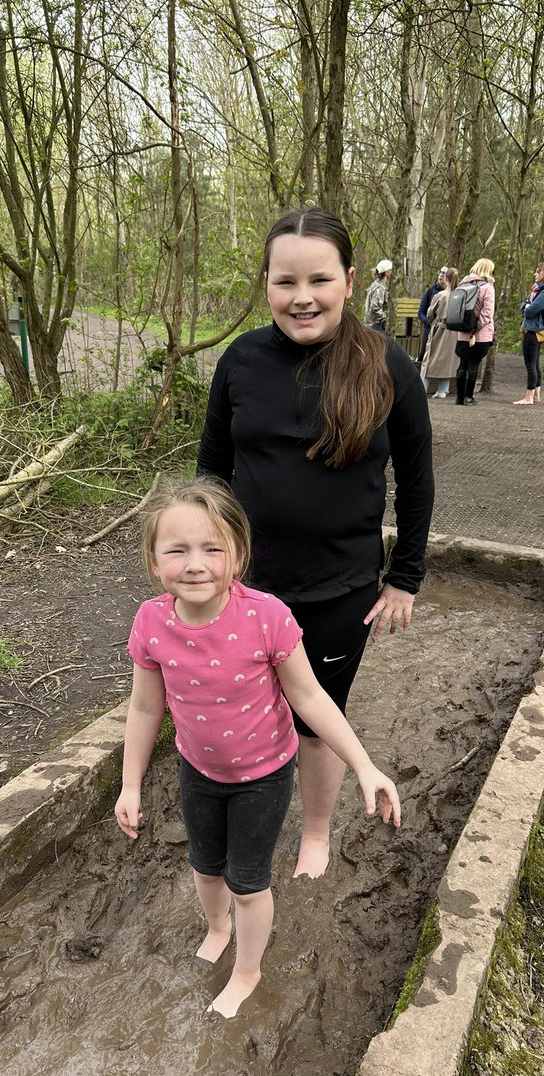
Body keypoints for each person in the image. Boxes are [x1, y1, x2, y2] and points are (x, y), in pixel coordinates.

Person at [197, 206, 434, 880]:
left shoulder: (389, 366)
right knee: (245, 707)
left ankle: (317, 832)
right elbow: (211, 471)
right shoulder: (241, 360)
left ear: (350, 281)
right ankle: (250, 817)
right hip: (245, 587)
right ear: (267, 283)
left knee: (316, 718)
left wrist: (405, 576)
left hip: (339, 590)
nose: (302, 298)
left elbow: (416, 482)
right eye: (285, 282)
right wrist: (205, 562)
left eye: (319, 280)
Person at [114, 479, 401, 1019]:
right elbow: (145, 709)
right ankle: (217, 927)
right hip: (197, 770)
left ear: (239, 556)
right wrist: (130, 785)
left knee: (248, 883)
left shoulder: (266, 617)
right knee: (205, 867)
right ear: (154, 563)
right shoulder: (151, 623)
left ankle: (248, 969)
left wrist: (365, 766)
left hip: (263, 775)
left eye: (212, 549)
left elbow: (311, 698)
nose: (195, 564)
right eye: (177, 550)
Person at [514, 261, 544, 405]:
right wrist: (526, 305)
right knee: (535, 364)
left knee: (530, 365)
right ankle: (536, 395)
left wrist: (526, 305)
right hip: (537, 331)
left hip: (533, 331)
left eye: (538, 272)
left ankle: (528, 397)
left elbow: (529, 311)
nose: (535, 274)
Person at [454, 258, 495, 405]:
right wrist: (477, 327)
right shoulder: (487, 288)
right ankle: (469, 397)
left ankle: (459, 397)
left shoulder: (463, 284)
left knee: (462, 364)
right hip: (480, 335)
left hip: (462, 332)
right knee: (474, 365)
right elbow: (487, 313)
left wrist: (467, 328)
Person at [421, 267, 460, 399]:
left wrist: (432, 322)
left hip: (439, 330)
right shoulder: (459, 296)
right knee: (448, 360)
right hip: (454, 332)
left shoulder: (440, 295)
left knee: (429, 360)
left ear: (447, 279)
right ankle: (443, 390)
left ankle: (422, 390)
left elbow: (430, 313)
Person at [417, 266, 447, 362]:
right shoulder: (429, 291)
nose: (441, 275)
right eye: (440, 272)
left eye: (444, 273)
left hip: (443, 332)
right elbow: (420, 313)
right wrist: (428, 322)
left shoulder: (450, 293)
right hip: (429, 329)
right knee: (423, 355)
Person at [364, 259, 393, 332]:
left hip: (373, 326)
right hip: (376, 326)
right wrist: (386, 318)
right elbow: (374, 307)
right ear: (387, 272)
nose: (392, 272)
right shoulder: (379, 288)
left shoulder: (376, 285)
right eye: (391, 270)